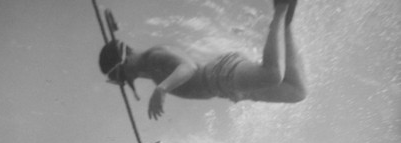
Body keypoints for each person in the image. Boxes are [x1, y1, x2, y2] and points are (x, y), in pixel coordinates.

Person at [99, 0, 306, 119]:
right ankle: (285, 26)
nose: (124, 82)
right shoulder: (149, 68)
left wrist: (162, 89)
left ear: (123, 62)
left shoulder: (154, 56)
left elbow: (187, 67)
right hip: (225, 88)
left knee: (272, 74)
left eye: (118, 77)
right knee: (296, 91)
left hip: (219, 75)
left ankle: (280, 9)